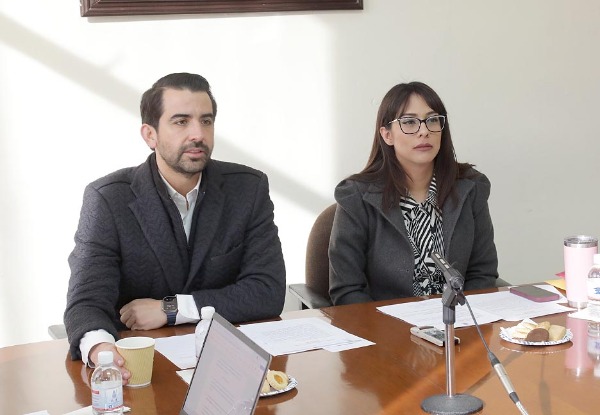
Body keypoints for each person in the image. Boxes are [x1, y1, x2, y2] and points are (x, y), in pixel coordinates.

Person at [64, 73, 286, 381]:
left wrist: (172, 309)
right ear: (150, 135)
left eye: (206, 121)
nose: (198, 134)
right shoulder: (108, 199)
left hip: (226, 365)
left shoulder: (248, 189)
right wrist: (101, 349)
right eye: (181, 122)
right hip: (141, 367)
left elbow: (267, 291)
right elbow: (87, 300)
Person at [329, 81, 498, 305]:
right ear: (387, 135)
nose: (424, 131)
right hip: (384, 323)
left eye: (432, 120)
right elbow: (347, 290)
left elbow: (482, 274)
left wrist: (464, 319)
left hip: (458, 320)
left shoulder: (470, 188)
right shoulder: (356, 197)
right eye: (409, 122)